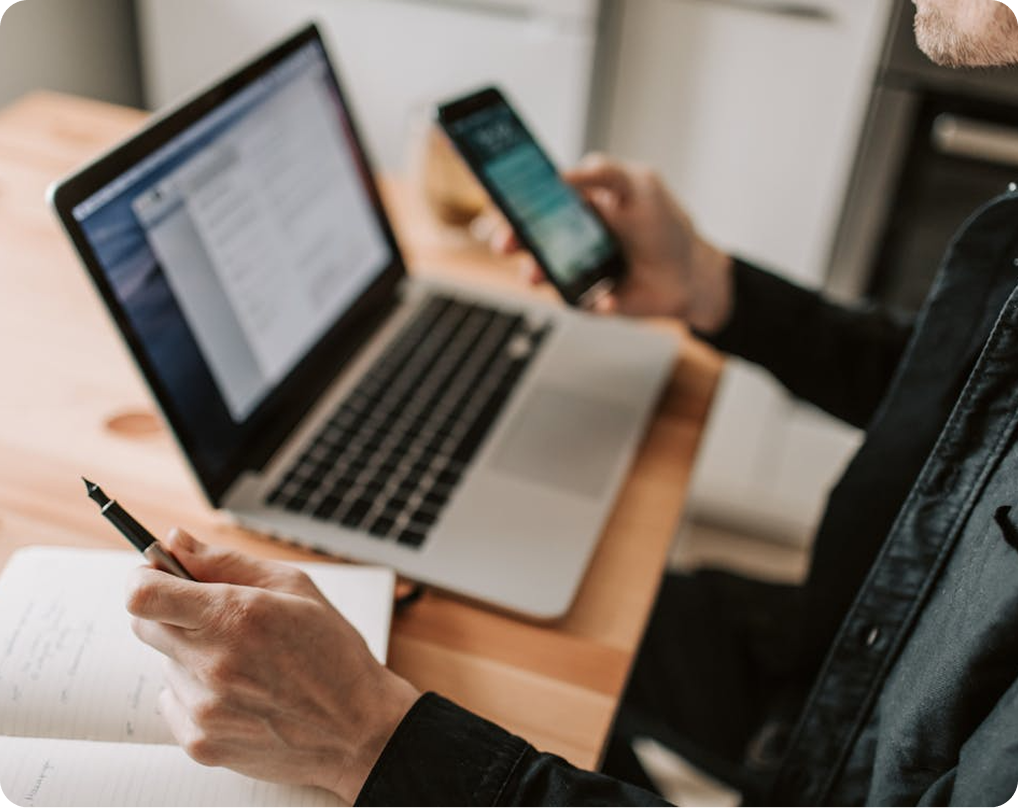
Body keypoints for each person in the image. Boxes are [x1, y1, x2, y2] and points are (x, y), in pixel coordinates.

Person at [126, 1, 1018, 805]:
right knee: (554, 628)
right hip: (844, 644)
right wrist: (715, 288)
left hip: (847, 753)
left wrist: (370, 741)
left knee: (492, 668)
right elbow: (977, 394)